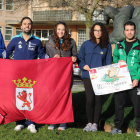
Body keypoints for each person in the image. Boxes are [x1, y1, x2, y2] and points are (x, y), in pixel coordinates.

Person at [1, 17, 47, 133]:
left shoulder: (37, 40)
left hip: (32, 76)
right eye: (25, 24)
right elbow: (6, 53)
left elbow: (42, 56)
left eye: (29, 24)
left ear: (32, 26)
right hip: (17, 75)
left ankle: (31, 122)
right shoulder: (15, 39)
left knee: (31, 98)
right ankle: (20, 122)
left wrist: (54, 60)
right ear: (21, 26)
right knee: (18, 97)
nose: (27, 26)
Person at [78, 22, 112, 132]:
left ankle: (95, 124)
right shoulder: (86, 44)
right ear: (92, 32)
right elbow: (80, 59)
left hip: (100, 77)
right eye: (95, 30)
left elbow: (108, 62)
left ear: (103, 32)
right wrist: (83, 66)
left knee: (98, 100)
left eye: (99, 30)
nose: (97, 32)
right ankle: (89, 123)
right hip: (87, 76)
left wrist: (107, 74)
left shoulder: (107, 45)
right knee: (90, 99)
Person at [45, 21, 77, 130]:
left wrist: (74, 59)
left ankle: (63, 122)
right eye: (58, 29)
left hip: (66, 76)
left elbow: (75, 55)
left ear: (66, 31)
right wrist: (51, 58)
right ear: (55, 30)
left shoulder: (71, 41)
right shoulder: (49, 42)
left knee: (65, 98)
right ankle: (52, 121)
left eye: (62, 29)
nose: (60, 31)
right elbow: (44, 56)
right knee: (53, 98)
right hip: (52, 75)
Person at [109, 21, 140, 136]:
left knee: (137, 106)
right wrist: (118, 61)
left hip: (134, 81)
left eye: (131, 29)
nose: (129, 32)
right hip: (121, 80)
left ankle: (139, 128)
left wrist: (137, 78)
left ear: (135, 31)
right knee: (119, 105)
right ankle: (118, 128)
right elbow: (115, 57)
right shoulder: (119, 44)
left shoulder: (139, 45)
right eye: (127, 30)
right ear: (124, 31)